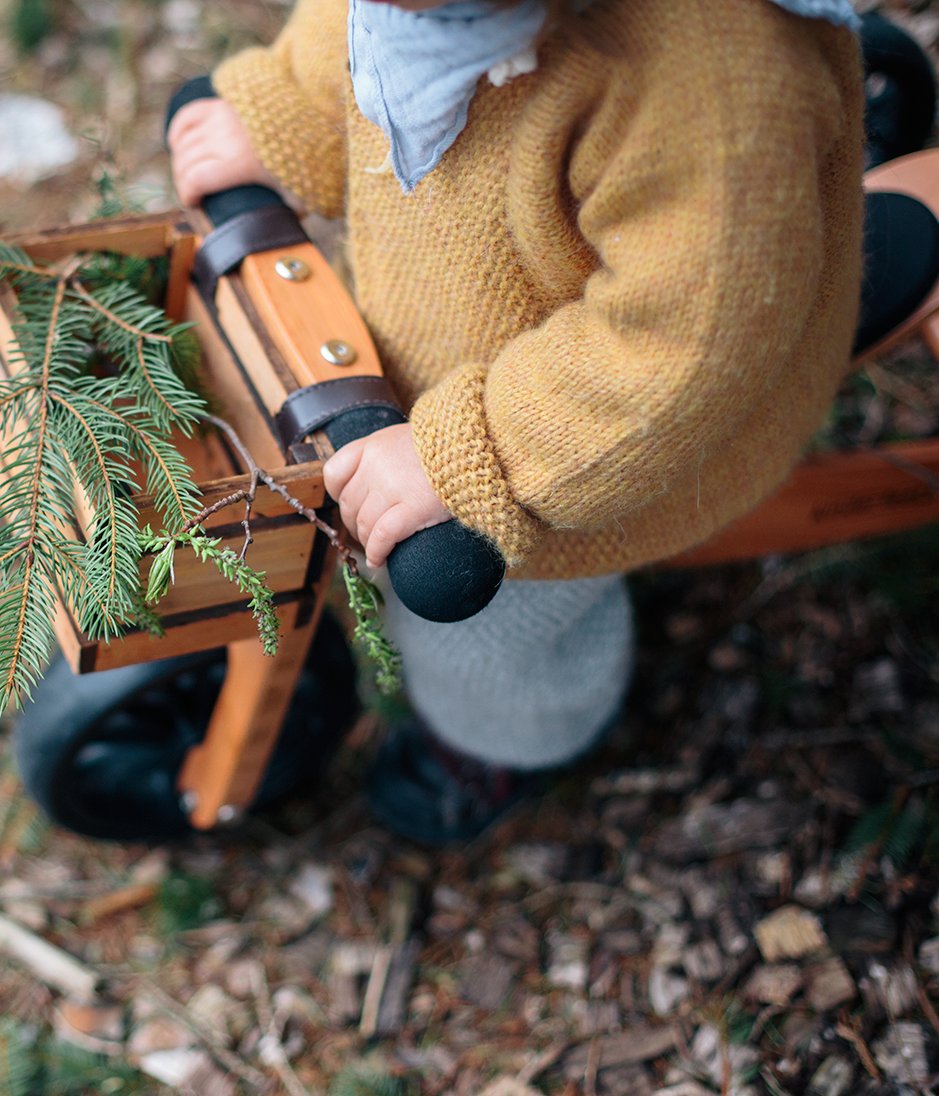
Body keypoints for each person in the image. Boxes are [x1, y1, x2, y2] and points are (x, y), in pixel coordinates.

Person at [166, 0, 865, 843]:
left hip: (608, 434)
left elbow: (684, 346)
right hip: (453, 334)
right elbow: (353, 28)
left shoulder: (704, 83)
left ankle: (511, 740)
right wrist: (290, 113)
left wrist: (476, 459)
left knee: (482, 634)